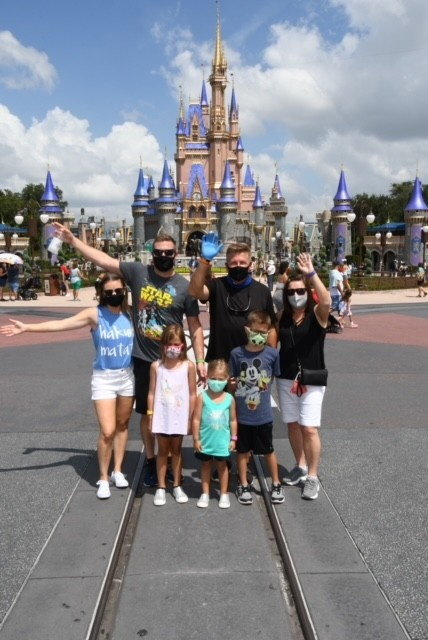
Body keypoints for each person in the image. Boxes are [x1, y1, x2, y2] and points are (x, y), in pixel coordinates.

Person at [53, 223, 205, 489]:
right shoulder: (139, 272)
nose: (163, 256)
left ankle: (169, 459)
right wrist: (73, 241)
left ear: (176, 253)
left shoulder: (184, 286)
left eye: (168, 252)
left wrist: (201, 361)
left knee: (174, 411)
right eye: (158, 251)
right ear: (152, 252)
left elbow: (194, 325)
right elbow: (104, 260)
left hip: (174, 363)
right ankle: (150, 459)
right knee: (147, 415)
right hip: (145, 360)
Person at [0, 273, 135, 499]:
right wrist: (28, 328)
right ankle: (103, 477)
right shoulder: (95, 314)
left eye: (118, 291)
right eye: (109, 292)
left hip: (127, 376)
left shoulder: (130, 313)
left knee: (122, 425)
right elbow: (61, 324)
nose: (114, 295)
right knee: (107, 430)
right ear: (101, 293)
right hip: (104, 378)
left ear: (124, 291)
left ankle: (117, 471)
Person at [276, 253, 331, 500]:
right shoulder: (283, 317)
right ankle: (299, 466)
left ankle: (312, 476)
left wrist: (310, 274)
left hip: (311, 378)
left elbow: (327, 301)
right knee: (293, 424)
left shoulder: (317, 315)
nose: (296, 295)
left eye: (300, 291)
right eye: (291, 292)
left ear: (308, 293)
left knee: (309, 428)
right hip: (286, 377)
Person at [188, 235, 277, 362]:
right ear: (226, 265)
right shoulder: (216, 285)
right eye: (233, 263)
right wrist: (204, 261)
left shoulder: (262, 291)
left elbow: (271, 327)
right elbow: (194, 292)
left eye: (242, 263)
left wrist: (271, 357)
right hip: (220, 365)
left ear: (250, 265)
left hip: (254, 363)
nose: (238, 266)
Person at [229, 310, 285, 505]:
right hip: (243, 416)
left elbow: (273, 378)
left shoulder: (272, 354)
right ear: (247, 330)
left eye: (263, 332)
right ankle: (243, 483)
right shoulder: (236, 354)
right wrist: (233, 385)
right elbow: (232, 380)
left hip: (264, 416)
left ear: (269, 332)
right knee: (242, 451)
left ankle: (276, 483)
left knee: (268, 449)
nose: (259, 336)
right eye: (255, 332)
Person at [147, 324, 196, 506]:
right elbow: (151, 392)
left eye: (176, 344)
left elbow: (192, 393)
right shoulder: (156, 367)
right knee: (162, 451)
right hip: (162, 416)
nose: (173, 348)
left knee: (176, 450)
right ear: (163, 346)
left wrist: (192, 417)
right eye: (169, 344)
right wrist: (151, 415)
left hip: (179, 416)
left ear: (183, 345)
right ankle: (161, 487)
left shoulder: (188, 366)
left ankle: (176, 484)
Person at [192, 359, 237, 509]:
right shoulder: (202, 397)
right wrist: (196, 439)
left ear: (226, 380)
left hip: (222, 441)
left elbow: (233, 420)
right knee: (205, 465)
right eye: (213, 378)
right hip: (206, 441)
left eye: (220, 379)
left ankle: (223, 494)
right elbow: (196, 419)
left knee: (222, 466)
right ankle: (205, 493)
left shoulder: (229, 399)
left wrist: (233, 438)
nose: (216, 382)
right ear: (207, 377)